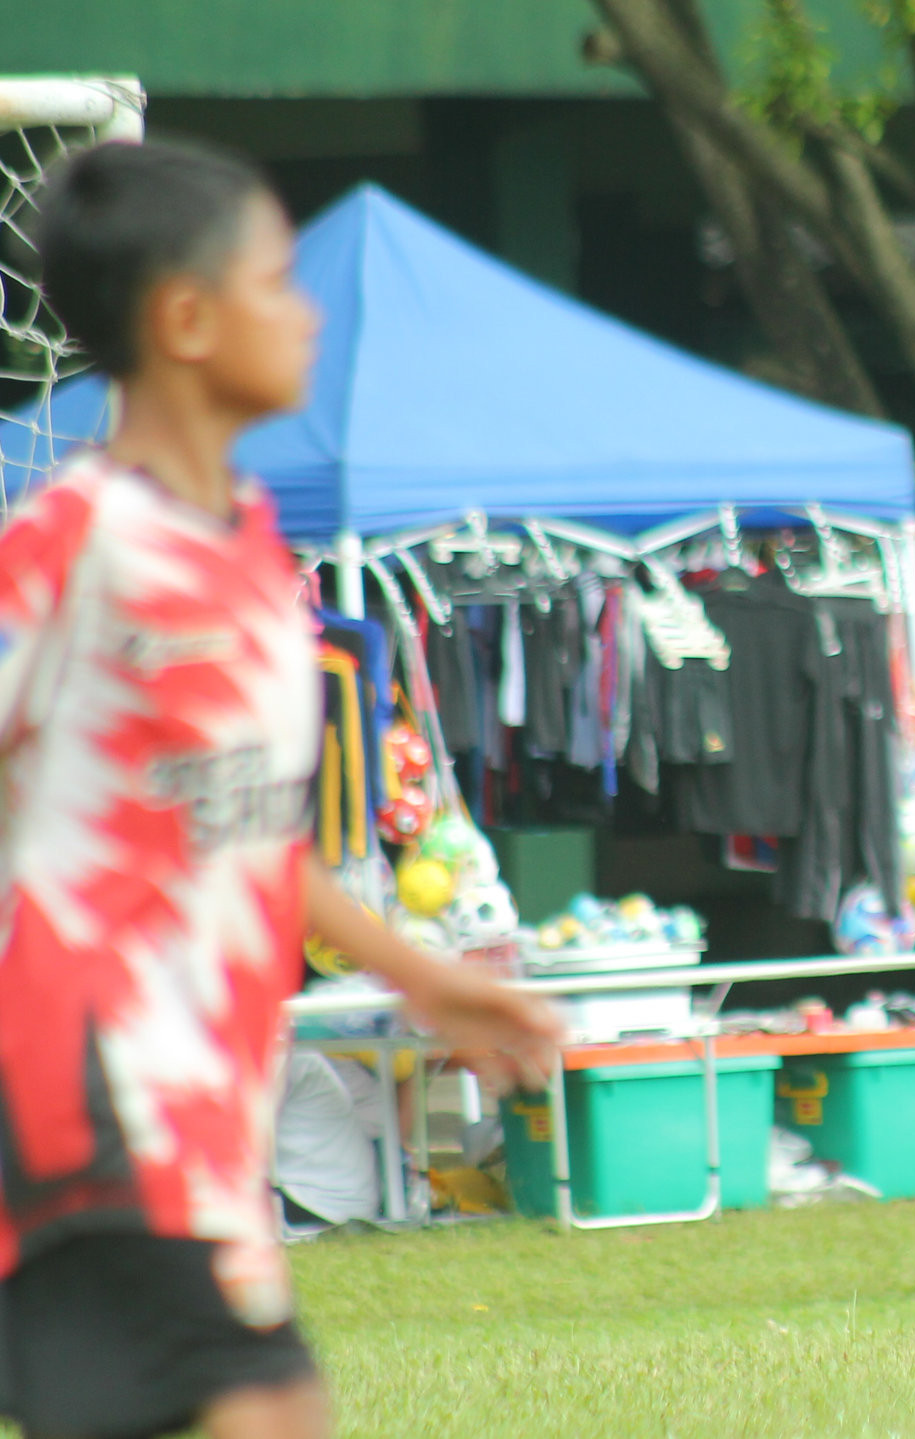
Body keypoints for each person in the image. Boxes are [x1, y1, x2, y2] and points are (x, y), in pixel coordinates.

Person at [0, 139, 562, 1439]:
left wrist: (421, 973)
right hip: (89, 1076)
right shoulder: (72, 548)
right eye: (277, 278)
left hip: (209, 1097)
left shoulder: (257, 555)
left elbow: (247, 836)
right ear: (185, 319)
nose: (306, 309)